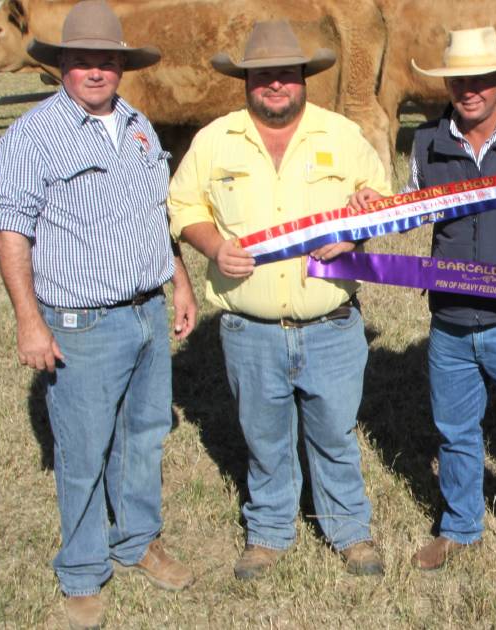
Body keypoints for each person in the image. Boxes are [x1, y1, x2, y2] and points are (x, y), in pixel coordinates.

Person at [0, 1, 197, 627]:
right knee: (82, 449)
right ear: (62, 67)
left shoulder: (138, 125)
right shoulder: (33, 135)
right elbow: (10, 229)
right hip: (81, 318)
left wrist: (178, 280)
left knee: (143, 433)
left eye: (107, 60)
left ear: (122, 67)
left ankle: (136, 540)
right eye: (83, 61)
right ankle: (81, 569)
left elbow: (154, 213)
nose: (96, 71)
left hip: (146, 311)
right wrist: (29, 318)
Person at [349, 26, 496, 590]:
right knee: (455, 431)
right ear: (448, 84)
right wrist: (375, 209)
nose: (470, 89)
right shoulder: (428, 142)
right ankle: (459, 526)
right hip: (450, 319)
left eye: (481, 79)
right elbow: (413, 211)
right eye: (460, 80)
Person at [167, 20, 390, 581]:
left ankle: (348, 530)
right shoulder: (216, 139)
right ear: (246, 80)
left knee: (335, 432)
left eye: (285, 75)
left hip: (332, 324)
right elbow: (182, 206)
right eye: (263, 75)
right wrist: (214, 245)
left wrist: (361, 221)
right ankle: (268, 531)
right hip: (250, 328)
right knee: (264, 436)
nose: (275, 85)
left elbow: (381, 197)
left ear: (303, 79)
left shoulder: (341, 135)